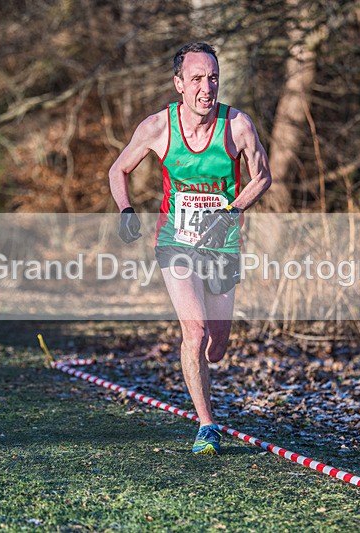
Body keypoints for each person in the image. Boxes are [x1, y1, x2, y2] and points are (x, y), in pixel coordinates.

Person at [108, 42, 272, 455]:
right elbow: (118, 169)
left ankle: (211, 361)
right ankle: (206, 425)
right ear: (179, 83)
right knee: (194, 332)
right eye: (197, 78)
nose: (206, 87)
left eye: (213, 78)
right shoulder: (157, 127)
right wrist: (126, 210)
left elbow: (262, 177)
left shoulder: (237, 125)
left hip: (223, 245)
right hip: (175, 242)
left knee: (216, 345)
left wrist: (231, 211)